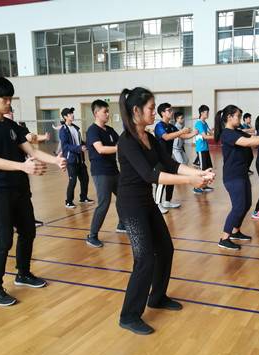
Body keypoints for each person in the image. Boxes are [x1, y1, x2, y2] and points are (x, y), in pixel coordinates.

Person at [116, 87, 214, 335]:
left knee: (165, 249)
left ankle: (157, 297)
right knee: (144, 259)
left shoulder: (150, 138)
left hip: (146, 202)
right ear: (136, 110)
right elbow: (151, 175)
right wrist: (191, 181)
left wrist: (199, 173)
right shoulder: (126, 141)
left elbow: (171, 164)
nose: (154, 112)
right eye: (151, 108)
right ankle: (129, 315)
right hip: (130, 205)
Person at [0, 77, 66, 307]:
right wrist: (22, 166)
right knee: (4, 239)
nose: (8, 103)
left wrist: (55, 160)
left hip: (19, 189)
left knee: (28, 232)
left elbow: (31, 151)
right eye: (4, 99)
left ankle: (23, 273)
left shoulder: (11, 126)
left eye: (10, 99)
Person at [215, 105, 259, 250]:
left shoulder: (237, 132)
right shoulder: (227, 134)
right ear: (229, 117)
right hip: (233, 176)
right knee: (238, 206)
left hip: (242, 174)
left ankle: (235, 231)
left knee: (246, 204)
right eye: (238, 116)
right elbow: (249, 142)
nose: (240, 119)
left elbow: (254, 137)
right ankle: (224, 238)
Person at [85, 99, 126, 248]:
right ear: (96, 113)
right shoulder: (92, 131)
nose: (108, 114)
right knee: (104, 203)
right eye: (105, 112)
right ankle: (92, 236)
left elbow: (121, 142)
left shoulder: (109, 130)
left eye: (108, 111)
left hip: (113, 170)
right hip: (100, 172)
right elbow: (101, 149)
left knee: (124, 197)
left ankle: (122, 224)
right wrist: (119, 148)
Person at [153, 102, 195, 213]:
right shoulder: (159, 126)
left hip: (168, 158)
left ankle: (167, 201)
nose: (171, 112)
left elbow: (183, 136)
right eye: (169, 110)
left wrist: (194, 133)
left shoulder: (171, 126)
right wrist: (181, 131)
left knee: (171, 179)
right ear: (162, 113)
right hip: (159, 159)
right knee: (161, 182)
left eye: (171, 110)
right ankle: (158, 204)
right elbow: (166, 137)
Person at [59, 107, 93, 208]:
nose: (72, 115)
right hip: (71, 160)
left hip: (80, 159)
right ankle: (68, 202)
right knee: (73, 181)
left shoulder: (75, 128)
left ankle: (83, 198)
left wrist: (86, 145)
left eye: (72, 113)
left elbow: (79, 141)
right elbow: (65, 146)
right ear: (65, 117)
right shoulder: (63, 130)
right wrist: (79, 148)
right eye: (70, 114)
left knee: (85, 179)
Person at [193, 104, 215, 194]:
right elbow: (205, 136)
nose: (208, 114)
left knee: (207, 168)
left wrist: (217, 132)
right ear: (202, 113)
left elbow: (210, 132)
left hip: (205, 148)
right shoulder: (199, 123)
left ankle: (204, 186)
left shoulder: (205, 123)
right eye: (207, 112)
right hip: (200, 149)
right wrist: (216, 137)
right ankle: (196, 187)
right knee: (202, 170)